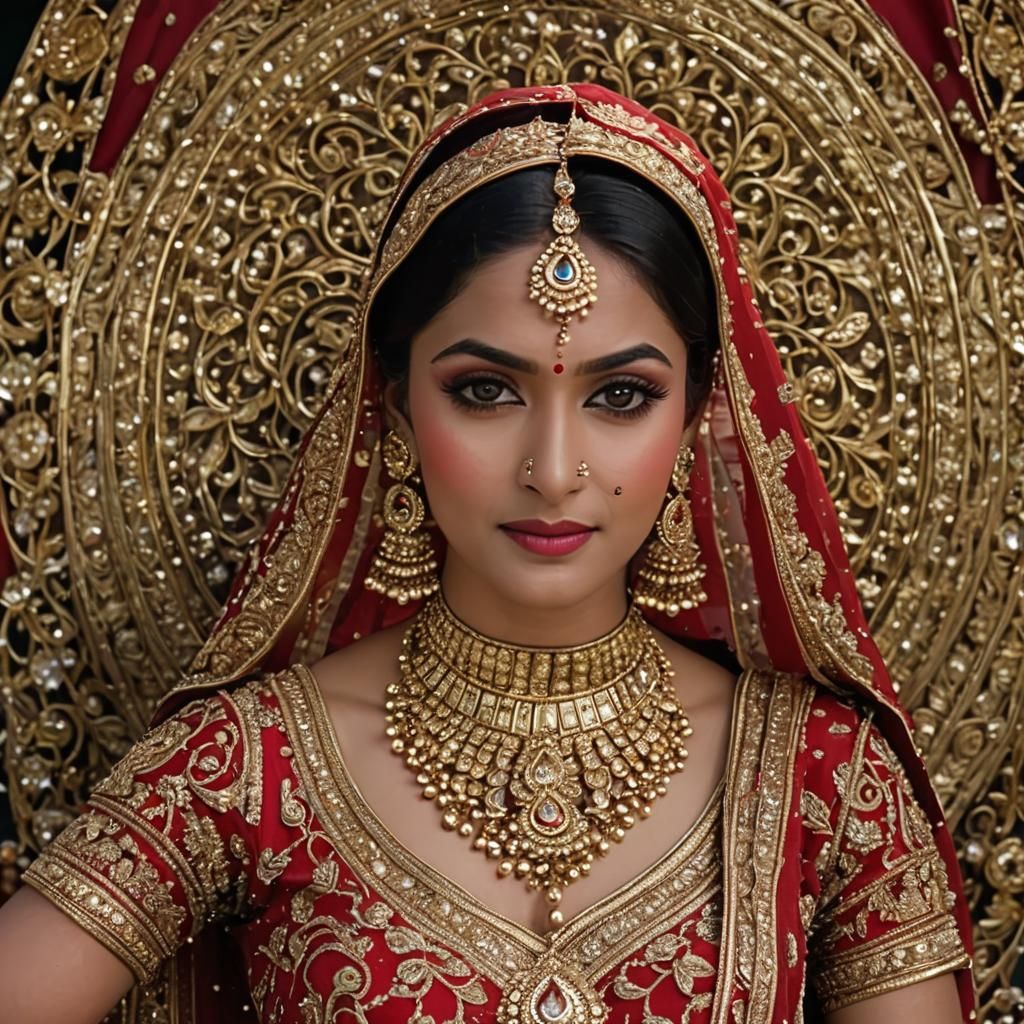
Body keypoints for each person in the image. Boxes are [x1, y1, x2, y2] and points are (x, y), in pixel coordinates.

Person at [0, 83, 974, 1024]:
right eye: (483, 390)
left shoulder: (825, 779)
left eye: (620, 396)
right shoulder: (246, 767)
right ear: (392, 411)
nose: (553, 471)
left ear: (695, 423)